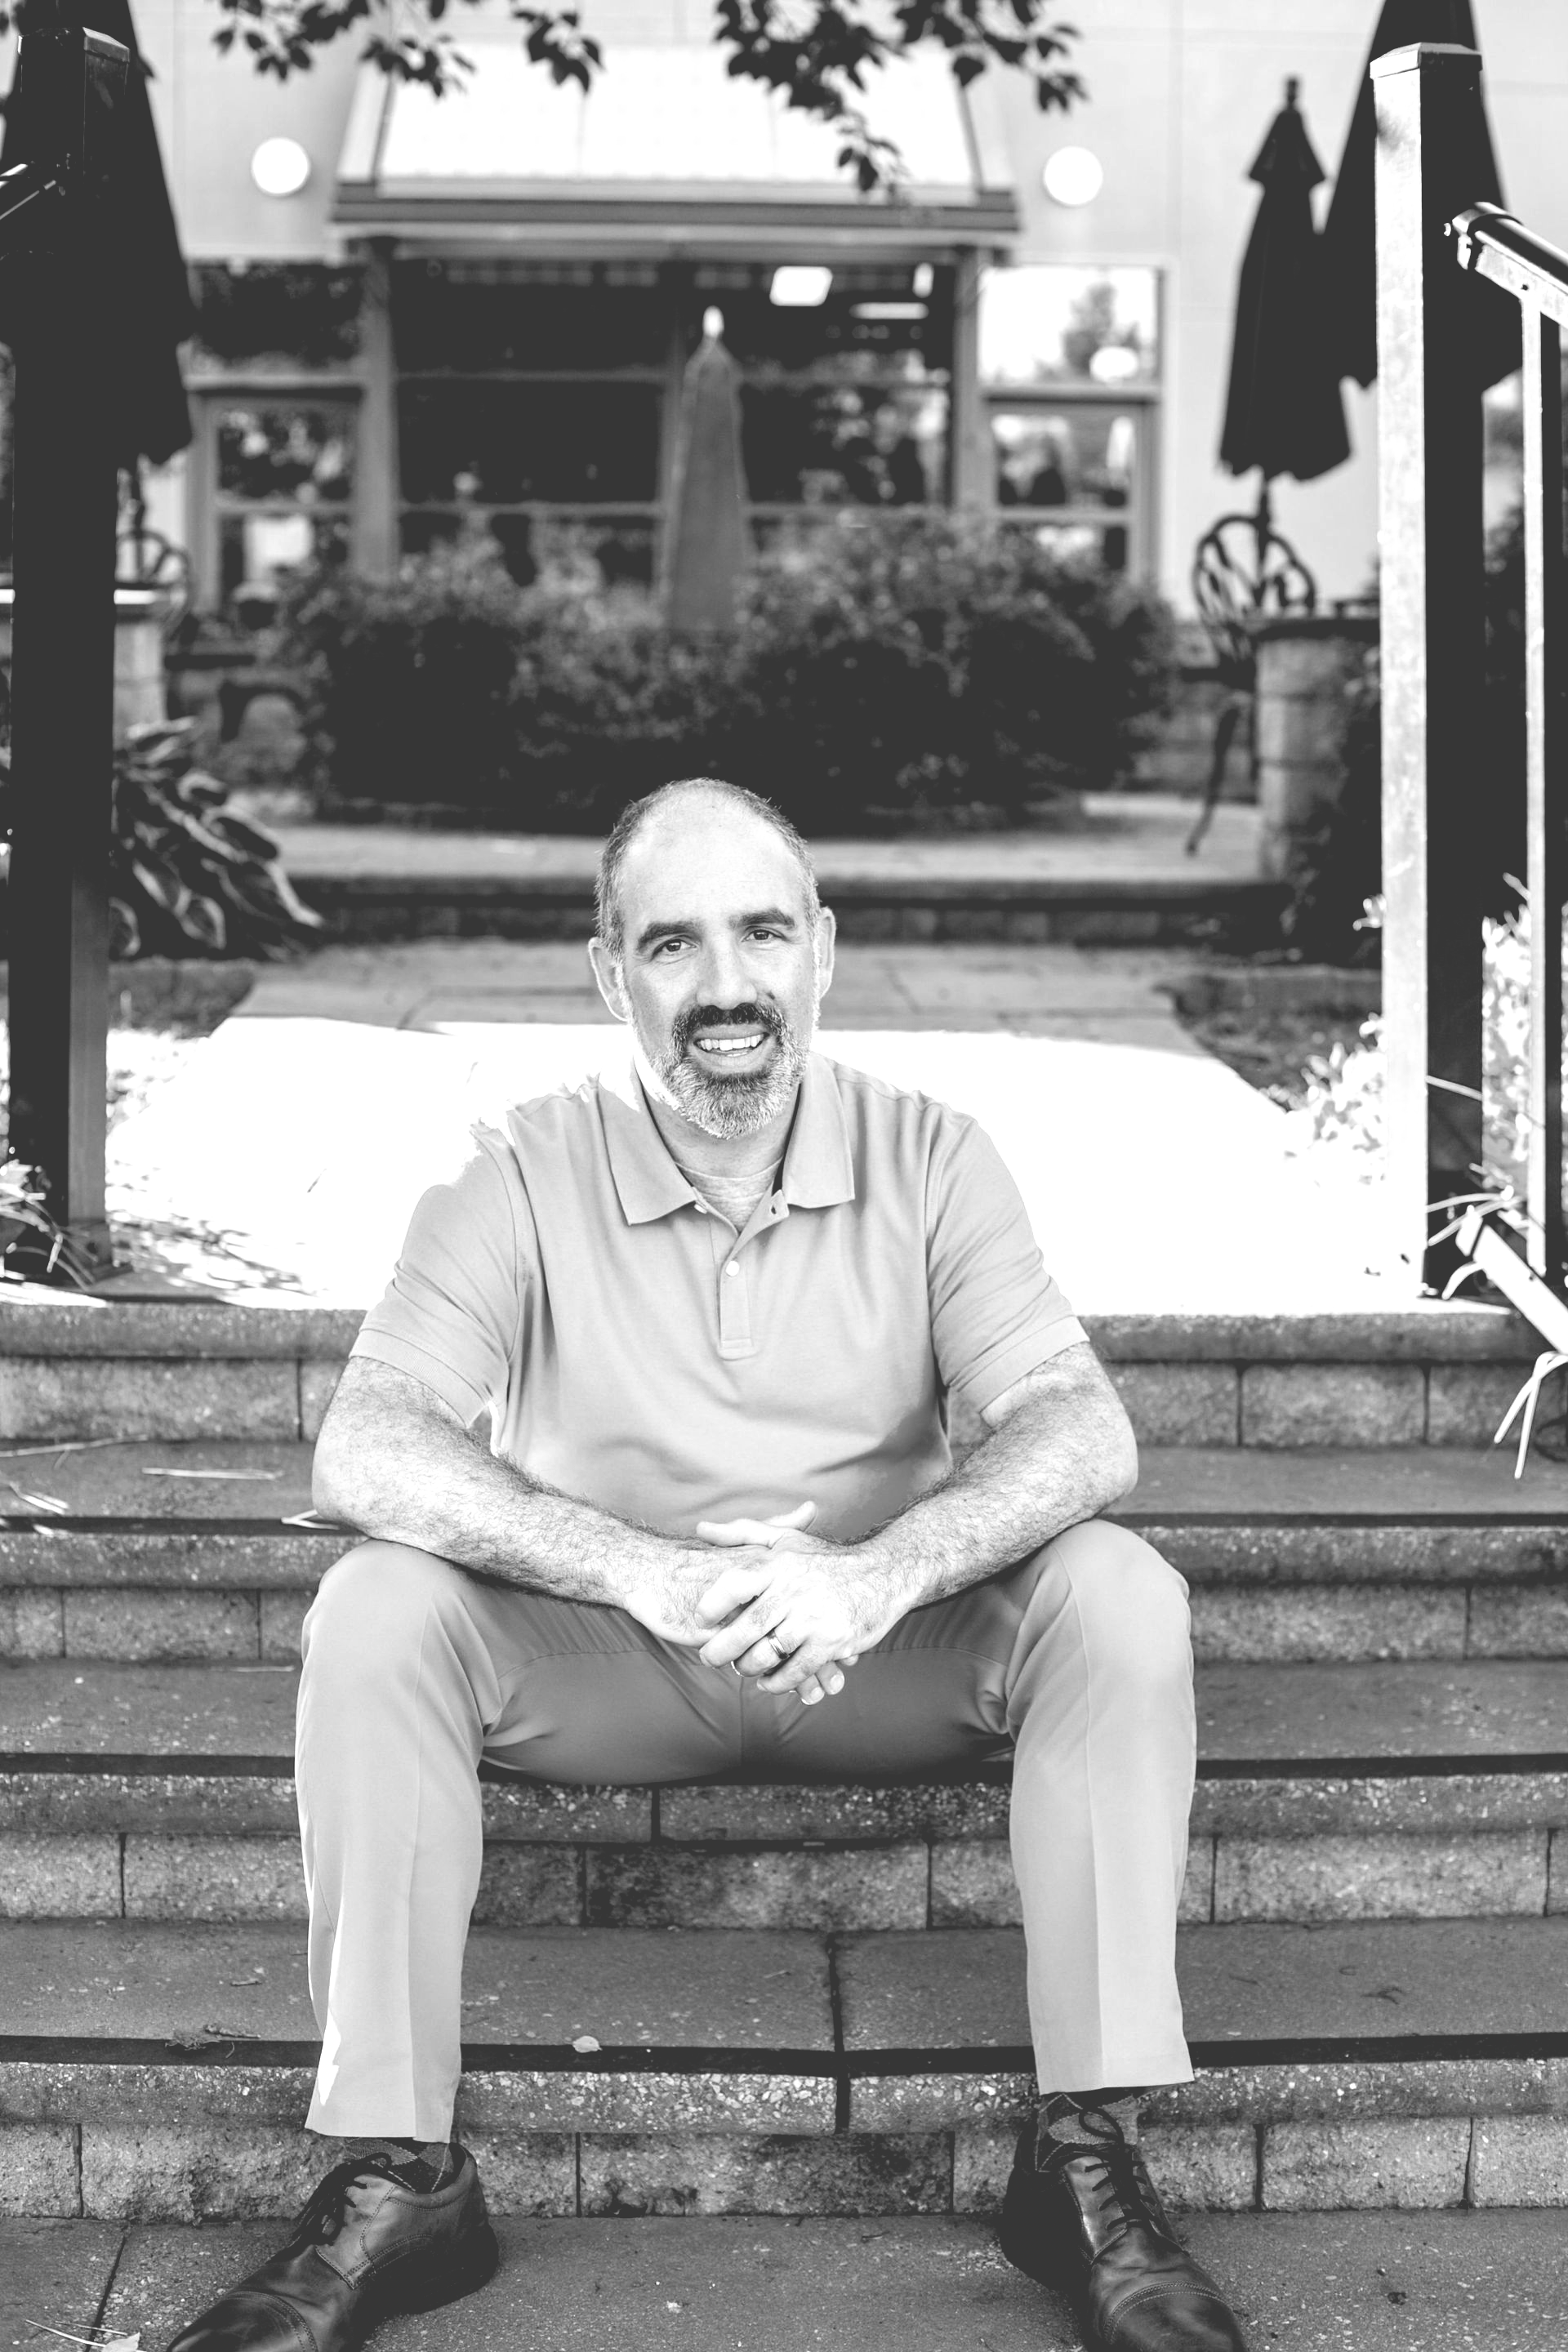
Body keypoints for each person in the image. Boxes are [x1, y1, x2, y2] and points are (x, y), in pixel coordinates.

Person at [171, 778, 1249, 2352]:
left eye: (760, 932)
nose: (726, 985)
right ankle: (398, 2168)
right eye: (673, 942)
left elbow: (1078, 1429)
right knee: (374, 1610)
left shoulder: (936, 1155)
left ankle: (1086, 2157)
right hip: (613, 1657)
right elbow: (368, 1445)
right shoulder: (518, 1170)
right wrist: (646, 1573)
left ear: (823, 948)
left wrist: (875, 1577)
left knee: (1121, 1594)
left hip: (884, 1649)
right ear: (611, 973)